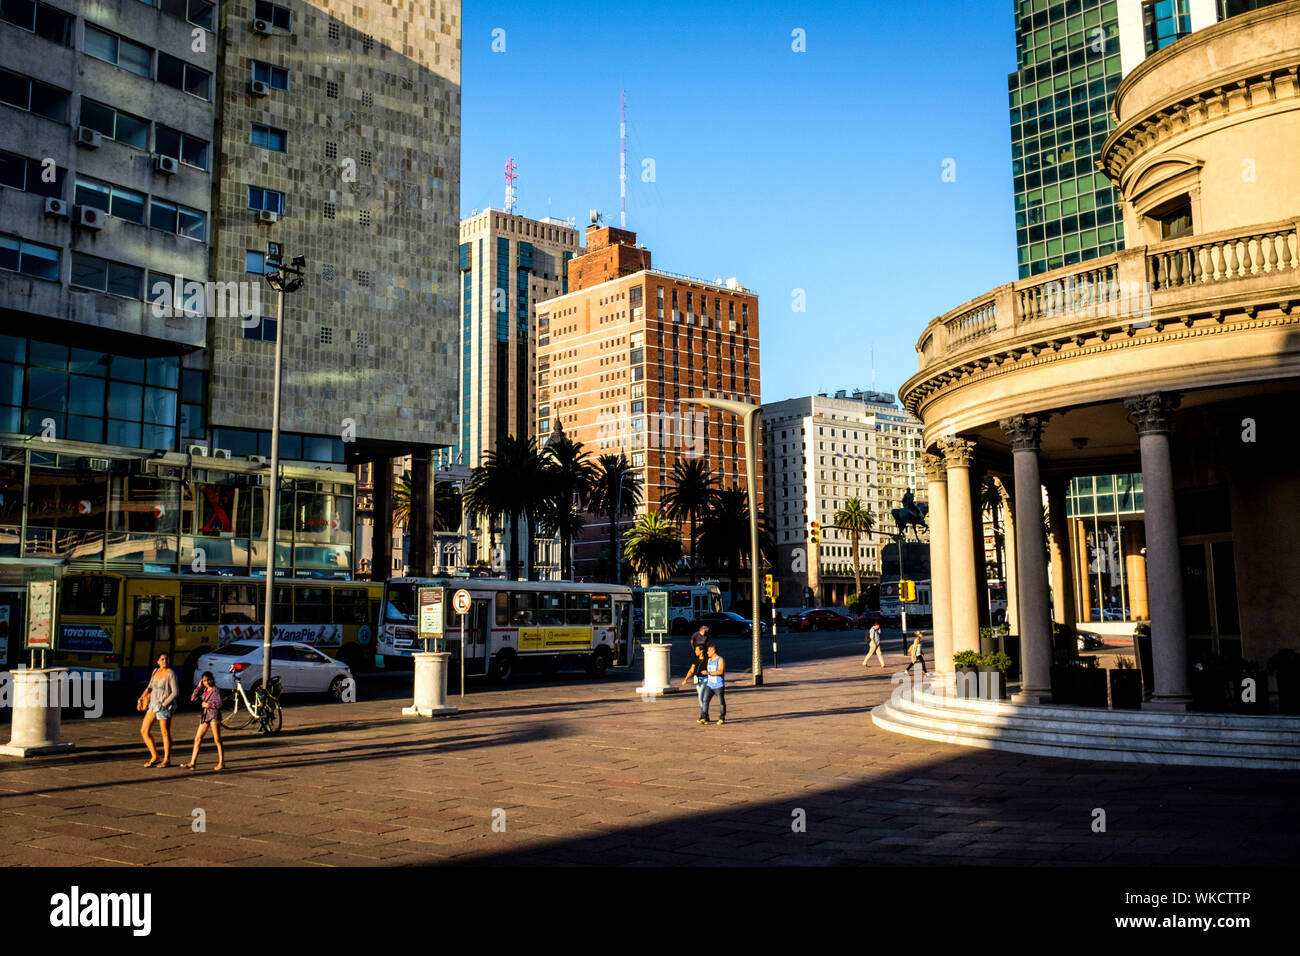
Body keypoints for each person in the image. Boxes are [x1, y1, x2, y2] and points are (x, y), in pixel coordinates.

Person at [140, 652, 178, 768]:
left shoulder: (171, 673)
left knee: (165, 733)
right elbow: (150, 687)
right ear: (158, 661)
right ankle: (155, 756)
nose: (165, 661)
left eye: (167, 659)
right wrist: (141, 698)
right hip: (152, 705)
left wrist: (164, 704)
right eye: (162, 659)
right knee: (144, 731)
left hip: (164, 706)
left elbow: (175, 692)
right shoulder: (155, 671)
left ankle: (166, 759)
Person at [182, 671, 225, 771]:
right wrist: (198, 687)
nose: (207, 682)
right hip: (205, 717)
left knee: (217, 739)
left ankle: (221, 762)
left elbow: (220, 704)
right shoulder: (205, 691)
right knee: (197, 738)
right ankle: (192, 763)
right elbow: (193, 699)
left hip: (214, 716)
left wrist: (208, 705)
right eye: (204, 680)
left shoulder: (216, 690)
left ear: (213, 679)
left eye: (209, 680)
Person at [681, 643, 710, 717]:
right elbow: (691, 670)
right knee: (702, 698)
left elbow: (712, 670)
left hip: (706, 680)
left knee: (700, 696)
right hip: (697, 681)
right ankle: (705, 715)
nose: (695, 651)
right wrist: (685, 679)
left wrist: (708, 673)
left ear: (701, 651)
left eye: (697, 650)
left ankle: (702, 715)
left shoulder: (708, 660)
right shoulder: (696, 660)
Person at [700, 643, 726, 725]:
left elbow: (720, 671)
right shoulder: (709, 660)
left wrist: (708, 673)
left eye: (708, 651)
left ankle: (722, 718)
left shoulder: (720, 660)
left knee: (721, 702)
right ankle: (705, 717)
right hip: (710, 685)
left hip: (718, 685)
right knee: (705, 701)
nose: (707, 652)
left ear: (713, 651)